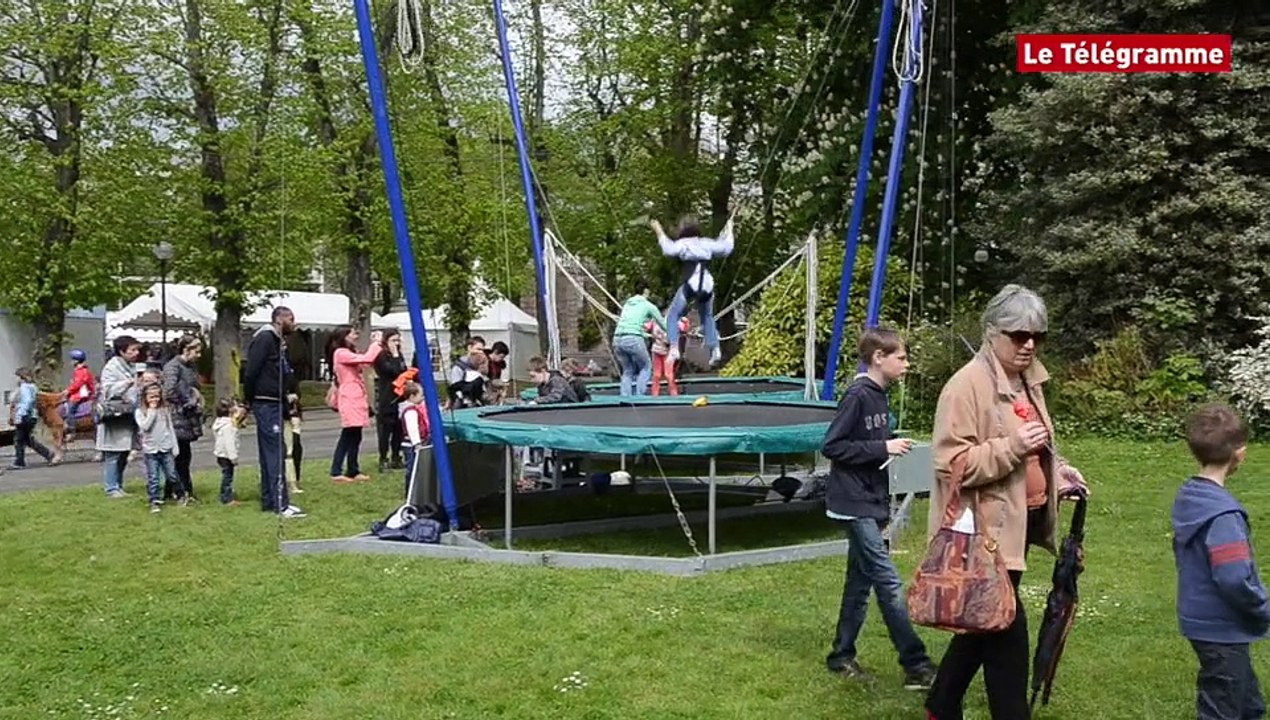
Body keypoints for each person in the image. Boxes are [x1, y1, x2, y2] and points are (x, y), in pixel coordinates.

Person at [924, 284, 1088, 720]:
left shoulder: (1028, 381)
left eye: (1038, 336)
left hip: (1017, 528)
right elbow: (950, 464)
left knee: (984, 625)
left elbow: (1035, 447)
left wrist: (1059, 471)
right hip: (984, 534)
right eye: (1019, 336)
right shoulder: (965, 387)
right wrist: (1012, 447)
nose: (1029, 344)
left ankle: (940, 705)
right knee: (1005, 633)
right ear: (991, 333)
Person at [821, 327, 937, 689]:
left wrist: (891, 447)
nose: (906, 363)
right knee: (888, 582)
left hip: (869, 501)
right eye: (900, 357)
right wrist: (882, 448)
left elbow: (868, 444)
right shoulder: (858, 394)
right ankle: (916, 666)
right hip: (851, 503)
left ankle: (841, 656)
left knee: (859, 584)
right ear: (878, 358)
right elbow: (833, 445)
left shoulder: (880, 395)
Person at [1172, 403, 1268, 720]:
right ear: (1239, 453)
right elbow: (1233, 577)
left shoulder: (1191, 496)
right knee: (1222, 708)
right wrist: (1261, 606)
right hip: (1221, 626)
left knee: (1249, 705)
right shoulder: (1223, 515)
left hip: (1201, 621)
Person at [243, 306, 305, 517]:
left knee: (272, 450)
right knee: (274, 452)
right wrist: (249, 398)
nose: (294, 322)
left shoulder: (277, 342)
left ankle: (270, 500)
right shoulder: (266, 339)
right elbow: (251, 370)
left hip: (273, 401)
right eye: (291, 318)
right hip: (266, 402)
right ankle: (280, 503)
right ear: (279, 319)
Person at [650, 214, 734, 367]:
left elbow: (668, 249)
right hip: (707, 284)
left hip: (691, 283)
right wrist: (730, 230)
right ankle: (715, 348)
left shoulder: (683, 244)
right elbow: (727, 247)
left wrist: (659, 230)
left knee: (673, 315)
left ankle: (674, 347)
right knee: (707, 317)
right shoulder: (706, 243)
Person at [326, 326, 384, 483]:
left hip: (356, 394)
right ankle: (336, 470)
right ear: (344, 336)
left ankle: (353, 469)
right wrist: (376, 343)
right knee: (348, 434)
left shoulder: (349, 352)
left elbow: (365, 363)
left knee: (355, 434)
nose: (355, 335)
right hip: (349, 395)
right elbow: (367, 359)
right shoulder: (341, 353)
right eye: (352, 333)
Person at [97, 335, 142, 498]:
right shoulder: (112, 367)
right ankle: (111, 487)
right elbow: (107, 390)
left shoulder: (131, 366)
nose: (136, 353)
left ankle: (118, 485)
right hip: (114, 416)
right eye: (133, 350)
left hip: (127, 415)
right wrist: (126, 384)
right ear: (122, 351)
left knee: (123, 452)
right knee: (113, 453)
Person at [162, 335, 204, 502]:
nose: (199, 355)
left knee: (183, 455)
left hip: (187, 415)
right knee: (179, 455)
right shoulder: (173, 367)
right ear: (186, 350)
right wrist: (188, 400)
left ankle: (179, 490)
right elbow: (168, 391)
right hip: (177, 415)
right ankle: (181, 491)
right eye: (197, 351)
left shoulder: (190, 366)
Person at [135, 382, 178, 514]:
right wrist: (152, 411)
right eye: (151, 397)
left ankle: (180, 494)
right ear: (145, 398)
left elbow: (170, 428)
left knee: (172, 474)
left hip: (166, 447)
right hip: (151, 450)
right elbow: (145, 427)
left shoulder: (164, 411)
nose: (155, 400)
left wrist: (174, 445)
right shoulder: (140, 412)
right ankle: (154, 500)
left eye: (157, 397)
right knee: (153, 477)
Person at [611, 288, 664, 396]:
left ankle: (625, 395)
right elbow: (664, 324)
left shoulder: (627, 304)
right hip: (633, 338)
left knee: (627, 369)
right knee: (646, 366)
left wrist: (648, 334)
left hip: (617, 338)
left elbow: (630, 326)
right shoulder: (648, 305)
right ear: (646, 292)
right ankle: (640, 394)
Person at [374, 329, 408, 472]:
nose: (396, 343)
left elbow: (403, 371)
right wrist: (394, 355)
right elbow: (393, 372)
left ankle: (396, 456)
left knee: (398, 430)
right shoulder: (382, 357)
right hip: (387, 397)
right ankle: (383, 459)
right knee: (385, 431)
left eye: (398, 340)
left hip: (399, 397)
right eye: (393, 340)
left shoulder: (399, 356)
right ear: (386, 342)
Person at [10, 367, 57, 469]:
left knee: (18, 440)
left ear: (22, 377)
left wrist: (21, 414)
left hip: (25, 416)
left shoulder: (24, 388)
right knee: (27, 440)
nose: (16, 380)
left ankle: (19, 462)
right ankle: (48, 454)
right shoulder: (33, 387)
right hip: (32, 416)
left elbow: (27, 402)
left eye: (18, 377)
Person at [398, 381, 430, 498]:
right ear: (412, 396)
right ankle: (410, 492)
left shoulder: (414, 409)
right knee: (412, 469)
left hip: (415, 443)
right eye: (420, 395)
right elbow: (413, 429)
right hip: (412, 445)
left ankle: (415, 491)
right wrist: (417, 443)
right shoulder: (410, 411)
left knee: (416, 469)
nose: (422, 397)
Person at [647, 317, 690, 396]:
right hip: (657, 350)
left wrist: (686, 322)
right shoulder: (654, 321)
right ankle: (654, 395)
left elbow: (684, 329)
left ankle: (673, 394)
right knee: (657, 375)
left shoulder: (675, 322)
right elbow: (646, 327)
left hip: (668, 351)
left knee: (668, 374)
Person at [212, 397, 244, 505]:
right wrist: (233, 457)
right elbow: (229, 443)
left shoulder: (220, 423)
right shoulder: (228, 426)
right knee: (228, 477)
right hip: (227, 455)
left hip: (221, 454)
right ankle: (227, 498)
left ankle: (225, 494)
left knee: (226, 475)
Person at [447, 336, 486, 408]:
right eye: (478, 349)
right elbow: (455, 391)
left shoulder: (479, 365)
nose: (481, 352)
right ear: (469, 348)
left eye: (482, 350)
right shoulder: (459, 367)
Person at [63, 348, 96, 419]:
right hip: (79, 393)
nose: (70, 362)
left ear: (76, 361)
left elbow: (77, 384)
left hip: (80, 395)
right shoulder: (80, 370)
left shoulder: (81, 371)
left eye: (72, 360)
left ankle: (71, 427)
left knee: (70, 411)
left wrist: (68, 390)